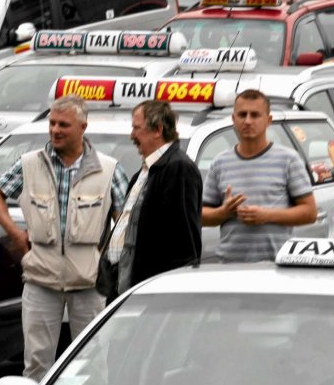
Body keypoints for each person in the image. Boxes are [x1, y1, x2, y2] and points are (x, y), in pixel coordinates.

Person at [0, 96, 129, 379]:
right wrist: (15, 233)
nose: (55, 130)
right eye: (52, 123)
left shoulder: (108, 168)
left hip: (89, 284)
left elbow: (124, 220)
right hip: (41, 280)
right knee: (37, 364)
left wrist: (111, 258)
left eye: (63, 124)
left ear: (83, 127)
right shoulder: (29, 164)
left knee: (94, 364)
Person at [201, 90, 316, 263]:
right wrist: (223, 212)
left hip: (275, 267)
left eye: (255, 115)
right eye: (242, 115)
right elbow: (200, 216)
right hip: (229, 267)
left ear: (268, 120)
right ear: (233, 119)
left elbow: (309, 213)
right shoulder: (220, 163)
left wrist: (266, 215)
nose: (247, 121)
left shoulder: (288, 160)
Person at [107, 99, 202, 298]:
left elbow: (184, 241)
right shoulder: (145, 172)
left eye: (136, 128)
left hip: (153, 290)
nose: (132, 135)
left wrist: (167, 292)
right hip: (127, 283)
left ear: (157, 130)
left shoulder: (178, 168)